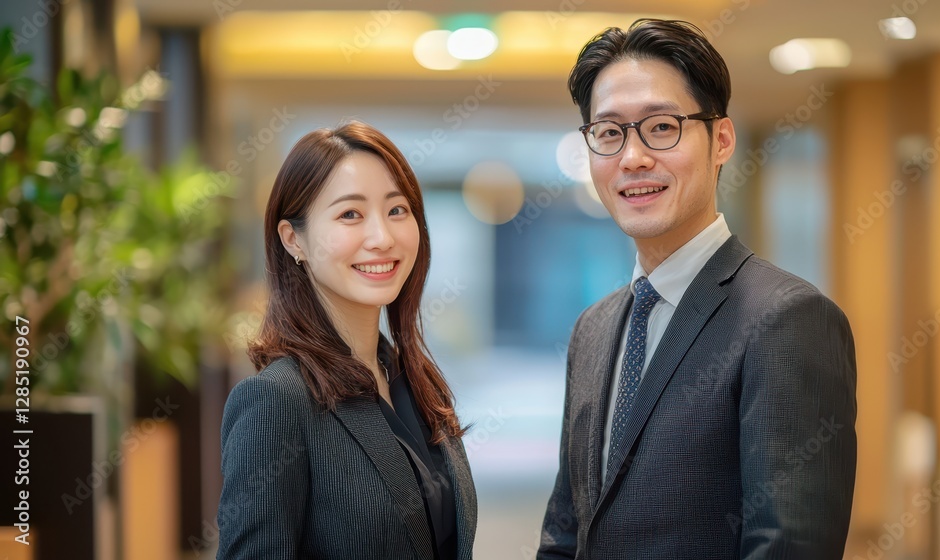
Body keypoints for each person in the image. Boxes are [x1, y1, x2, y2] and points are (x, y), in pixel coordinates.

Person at [537, 19, 857, 559]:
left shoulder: (789, 319)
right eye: (609, 133)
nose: (632, 158)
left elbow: (789, 546)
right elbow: (566, 533)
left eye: (661, 127)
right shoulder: (591, 329)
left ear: (722, 140)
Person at [217, 122, 476, 559]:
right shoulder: (275, 402)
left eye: (397, 210)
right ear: (293, 239)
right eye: (350, 214)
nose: (382, 237)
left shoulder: (410, 379)